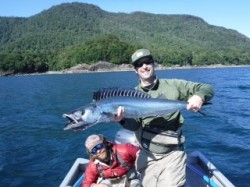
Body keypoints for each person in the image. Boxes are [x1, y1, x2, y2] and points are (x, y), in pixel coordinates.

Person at [114, 49, 214, 187]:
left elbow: (207, 88)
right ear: (135, 70)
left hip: (173, 153)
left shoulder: (173, 85)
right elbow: (135, 126)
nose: (144, 66)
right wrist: (122, 119)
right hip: (147, 155)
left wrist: (198, 96)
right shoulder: (132, 95)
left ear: (153, 64)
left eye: (147, 62)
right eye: (139, 64)